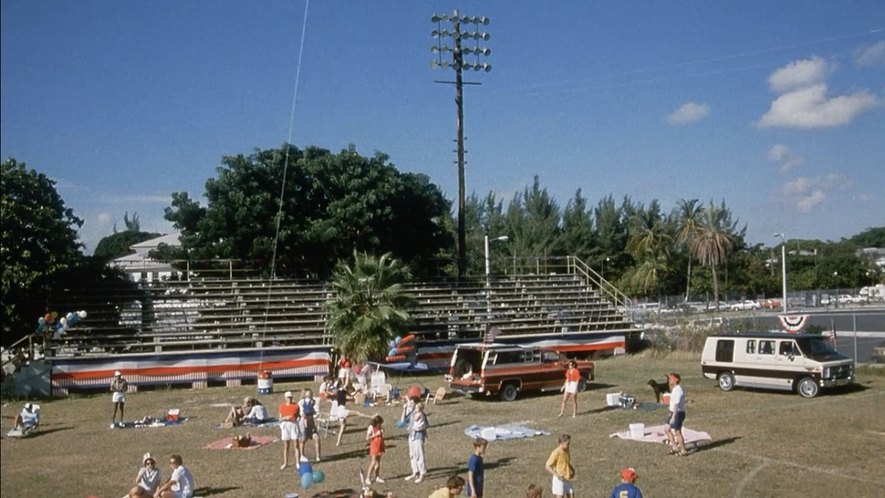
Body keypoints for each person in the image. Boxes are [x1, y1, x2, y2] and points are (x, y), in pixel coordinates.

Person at [545, 434, 575, 498]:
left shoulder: (567, 450)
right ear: (561, 443)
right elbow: (547, 466)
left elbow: (567, 461)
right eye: (567, 444)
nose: (569, 445)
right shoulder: (556, 452)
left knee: (571, 494)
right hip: (559, 479)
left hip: (566, 477)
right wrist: (557, 475)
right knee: (560, 496)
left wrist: (572, 469)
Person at [405, 401, 428, 483]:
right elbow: (405, 420)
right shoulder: (412, 412)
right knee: (412, 454)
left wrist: (417, 428)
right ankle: (415, 471)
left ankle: (422, 473)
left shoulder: (421, 415)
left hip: (418, 436)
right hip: (411, 435)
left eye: (416, 406)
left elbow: (423, 425)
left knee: (419, 455)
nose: (415, 408)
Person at [665, 373, 688, 456]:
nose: (669, 380)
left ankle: (683, 450)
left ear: (676, 380)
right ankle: (675, 447)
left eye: (671, 379)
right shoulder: (675, 389)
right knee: (666, 429)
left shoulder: (678, 390)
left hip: (677, 413)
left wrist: (673, 416)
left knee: (678, 432)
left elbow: (676, 405)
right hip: (672, 412)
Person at [278, 391, 302, 470]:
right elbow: (280, 418)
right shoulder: (282, 406)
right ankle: (285, 463)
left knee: (296, 444)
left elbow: (298, 415)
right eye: (288, 397)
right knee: (286, 445)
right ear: (285, 398)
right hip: (286, 425)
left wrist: (297, 418)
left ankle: (298, 462)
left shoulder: (296, 406)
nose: (290, 399)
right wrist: (285, 418)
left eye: (291, 397)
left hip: (293, 424)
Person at [299, 388, 321, 462]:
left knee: (317, 438)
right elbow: (301, 412)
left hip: (312, 423)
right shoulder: (301, 402)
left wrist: (314, 414)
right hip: (304, 423)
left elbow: (316, 412)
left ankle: (318, 456)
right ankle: (302, 455)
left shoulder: (314, 402)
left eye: (310, 394)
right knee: (303, 440)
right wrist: (304, 415)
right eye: (307, 395)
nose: (308, 396)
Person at [365, 414, 386, 485]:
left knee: (378, 462)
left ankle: (377, 476)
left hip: (380, 444)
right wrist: (376, 435)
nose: (380, 425)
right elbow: (367, 438)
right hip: (374, 445)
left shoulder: (379, 427)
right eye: (380, 424)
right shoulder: (371, 427)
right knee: (373, 462)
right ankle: (368, 478)